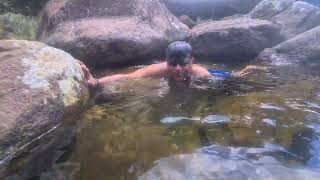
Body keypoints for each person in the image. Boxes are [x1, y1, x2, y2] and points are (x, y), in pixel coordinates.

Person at [79, 41, 267, 88]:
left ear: (191, 61)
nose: (177, 69)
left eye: (182, 64)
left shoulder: (201, 74)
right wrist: (95, 81)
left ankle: (249, 68)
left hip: (216, 74)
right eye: (173, 64)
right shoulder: (160, 69)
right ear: (166, 62)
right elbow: (128, 77)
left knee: (238, 77)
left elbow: (215, 92)